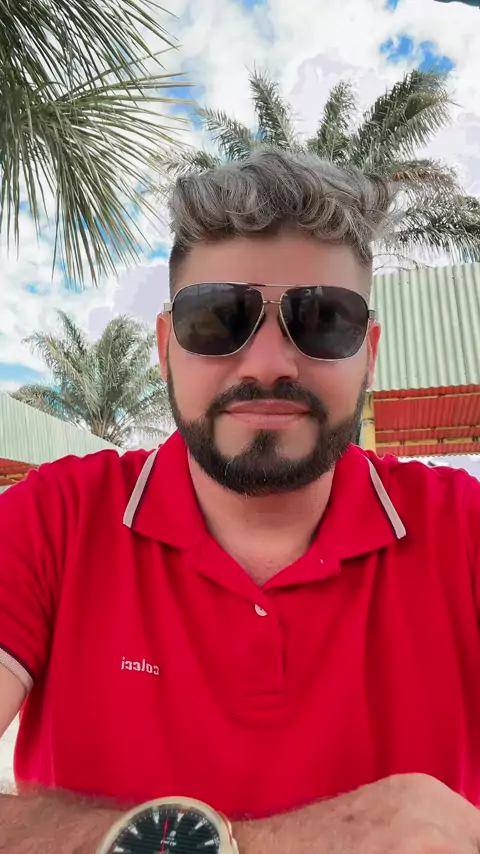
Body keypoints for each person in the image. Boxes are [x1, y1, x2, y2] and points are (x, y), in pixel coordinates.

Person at [1, 148, 480, 853]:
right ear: (166, 347)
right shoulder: (54, 521)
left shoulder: (462, 531)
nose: (269, 364)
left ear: (370, 352)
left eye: (324, 320)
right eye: (219, 318)